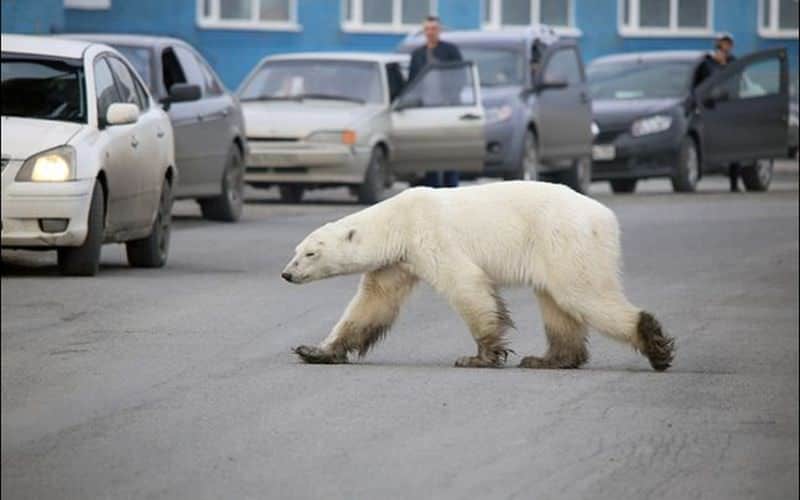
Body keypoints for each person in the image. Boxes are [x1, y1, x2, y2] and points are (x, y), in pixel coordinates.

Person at [408, 15, 463, 188]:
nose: (430, 32)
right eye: (427, 29)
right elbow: (412, 82)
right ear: (424, 31)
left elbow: (459, 76)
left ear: (439, 31)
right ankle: (431, 186)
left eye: (434, 29)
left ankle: (451, 185)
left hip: (448, 107)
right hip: (425, 109)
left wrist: (451, 98)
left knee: (450, 149)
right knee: (429, 150)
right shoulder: (418, 55)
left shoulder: (450, 51)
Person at [695, 33, 741, 192]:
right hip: (711, 108)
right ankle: (697, 177)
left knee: (735, 146)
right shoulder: (707, 63)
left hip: (730, 108)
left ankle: (734, 183)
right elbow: (700, 85)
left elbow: (736, 82)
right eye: (722, 44)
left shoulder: (733, 62)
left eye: (728, 44)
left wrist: (724, 66)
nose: (725, 47)